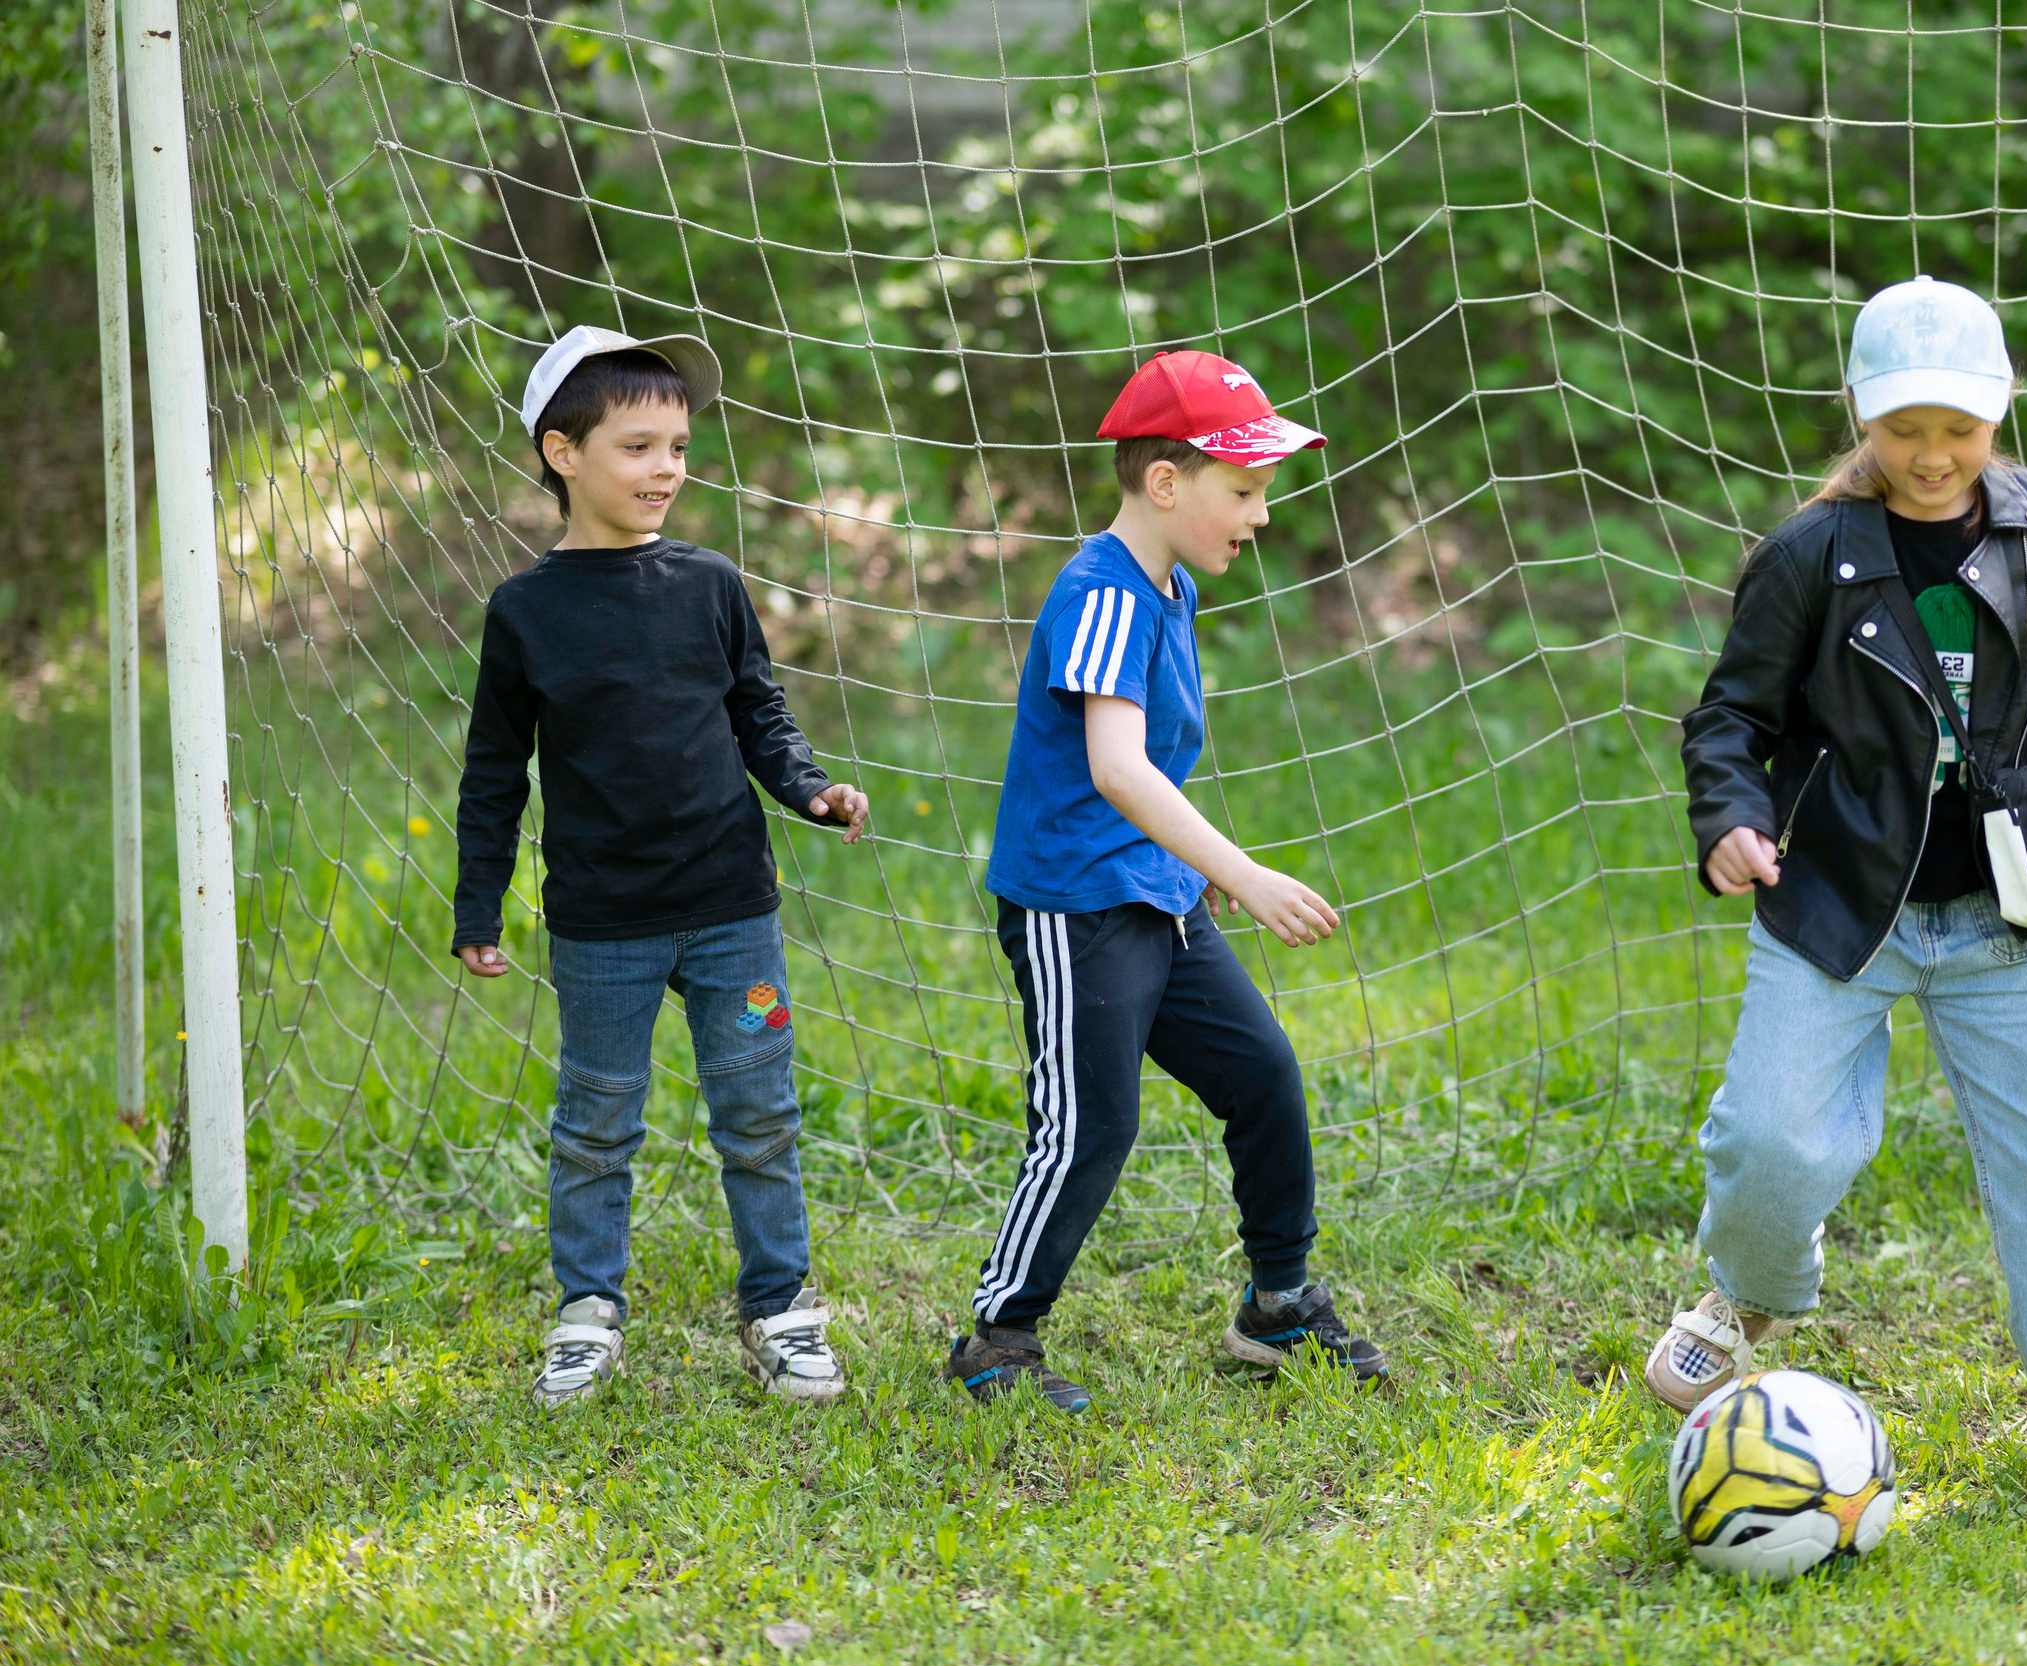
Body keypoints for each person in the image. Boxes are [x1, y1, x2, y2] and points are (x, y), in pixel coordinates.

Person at [1655, 276, 2027, 1524]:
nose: (1932, 457)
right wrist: (1733, 817)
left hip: (2009, 917)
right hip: (1836, 901)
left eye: (1960, 430)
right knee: (1769, 1141)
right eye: (1904, 429)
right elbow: (1731, 715)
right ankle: (1753, 1287)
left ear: (2000, 416)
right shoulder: (1807, 553)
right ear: (1860, 417)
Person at [946, 350, 1386, 1413]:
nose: (1260, 515)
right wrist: (1236, 866)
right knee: (1092, 1123)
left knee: (1264, 1076)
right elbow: (1115, 766)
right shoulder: (1101, 589)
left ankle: (1276, 1303)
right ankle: (998, 1341)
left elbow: (1145, 770)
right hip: (1076, 909)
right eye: (1242, 491)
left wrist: (1190, 869)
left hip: (1156, 899)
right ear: (1163, 483)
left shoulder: (1170, 585)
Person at [451, 325, 872, 1409]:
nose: (666, 469)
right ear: (562, 453)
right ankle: (587, 1314)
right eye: (638, 446)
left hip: (733, 909)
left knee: (759, 1111)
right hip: (602, 923)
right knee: (596, 1122)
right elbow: (495, 772)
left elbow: (758, 716)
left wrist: (810, 789)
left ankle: (780, 1307)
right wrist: (478, 901)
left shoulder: (710, 583)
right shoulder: (526, 612)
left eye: (678, 447)